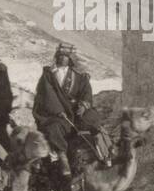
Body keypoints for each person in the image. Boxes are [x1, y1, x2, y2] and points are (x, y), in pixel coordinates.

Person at [32, 41, 105, 180]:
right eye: (60, 55)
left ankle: (100, 153)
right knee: (54, 127)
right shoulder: (48, 74)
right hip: (55, 113)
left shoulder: (79, 76)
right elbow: (47, 94)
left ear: (70, 58)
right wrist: (58, 110)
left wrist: (83, 106)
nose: (61, 58)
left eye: (65, 55)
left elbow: (86, 93)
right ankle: (62, 156)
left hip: (74, 112)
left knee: (92, 119)